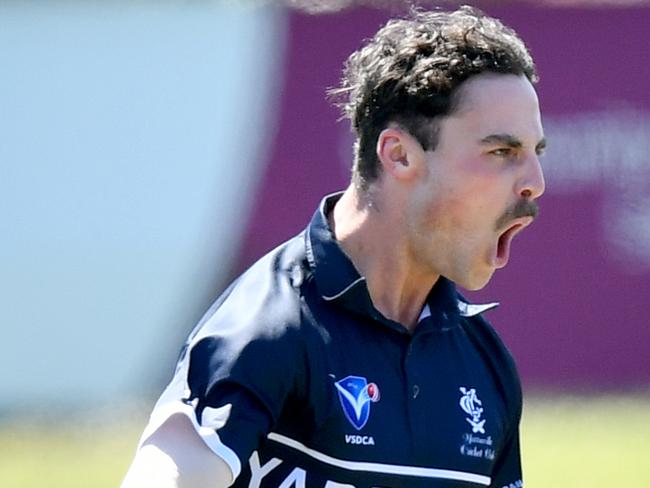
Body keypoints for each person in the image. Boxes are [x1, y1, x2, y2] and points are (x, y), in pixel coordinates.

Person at [122, 5, 545, 488]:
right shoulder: (267, 331)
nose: (535, 183)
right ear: (400, 155)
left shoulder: (484, 363)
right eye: (502, 152)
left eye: (537, 153)